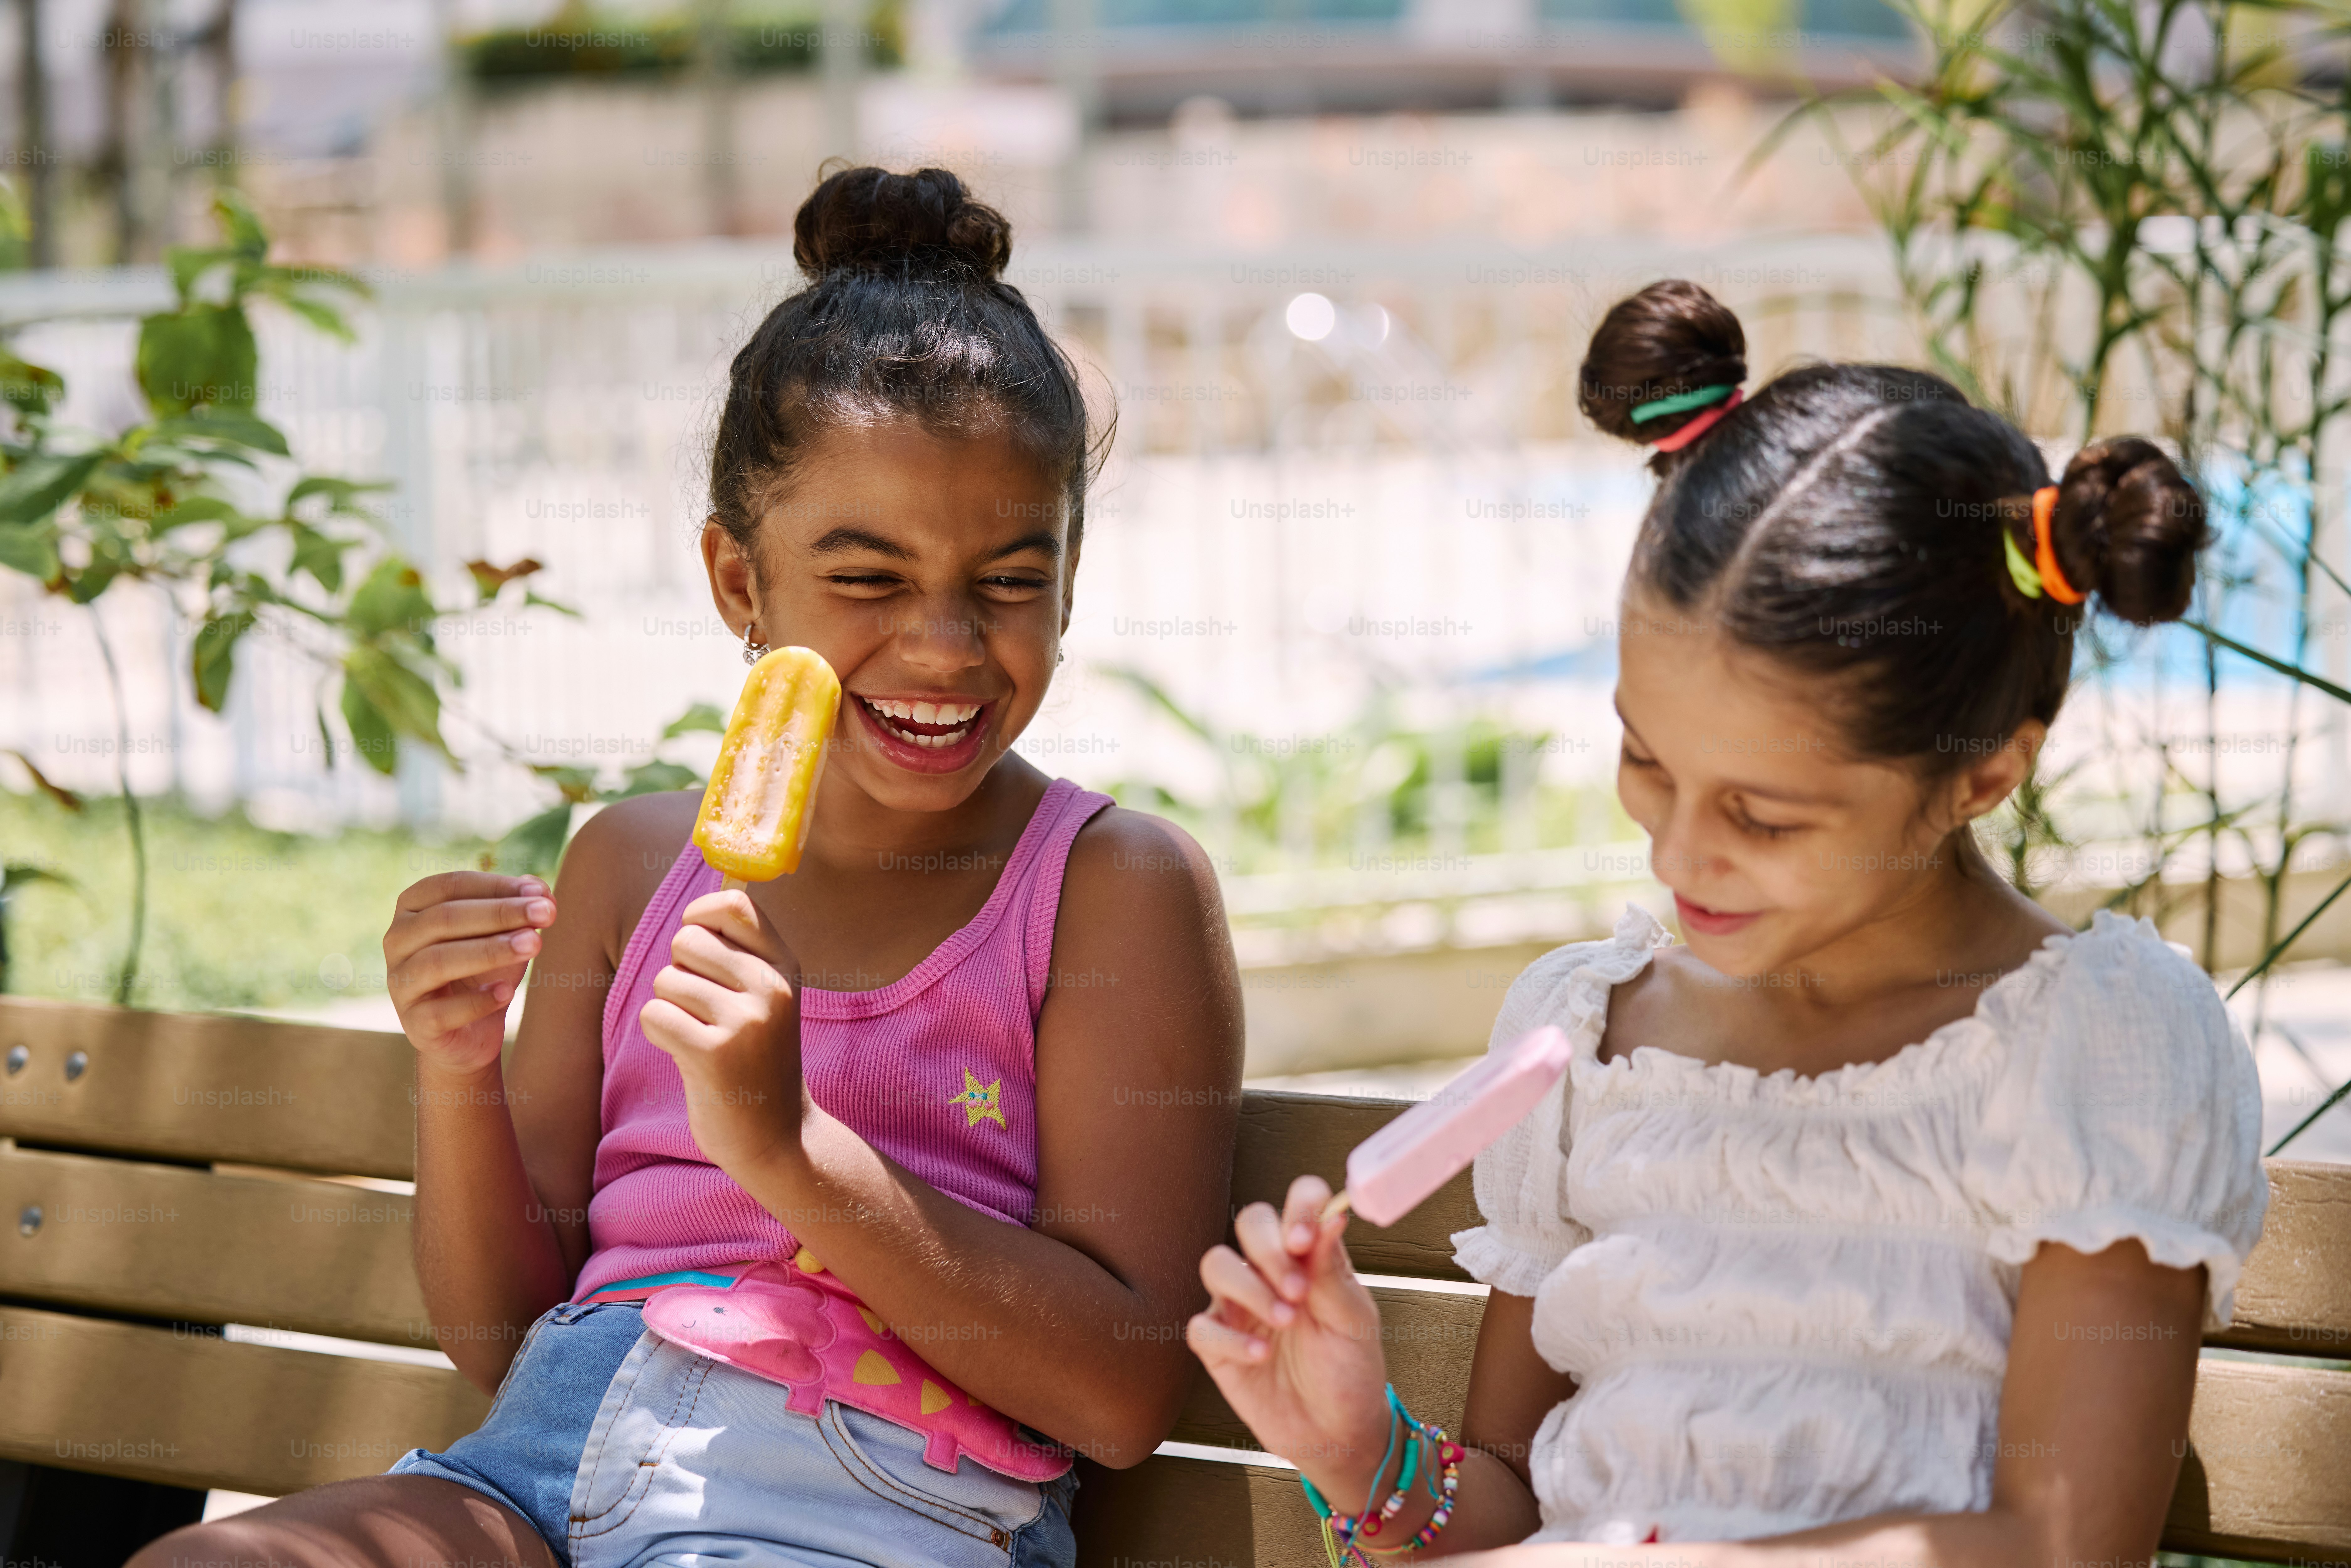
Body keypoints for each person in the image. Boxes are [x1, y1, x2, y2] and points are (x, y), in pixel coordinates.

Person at [136, 166, 1243, 1568]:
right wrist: (457, 1068)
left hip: (869, 1499)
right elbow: (495, 1337)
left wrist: (787, 1150)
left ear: (1072, 581)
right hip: (542, 1465)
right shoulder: (629, 864)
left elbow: (1125, 1393)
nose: (950, 647)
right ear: (737, 581)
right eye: (867, 581)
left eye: (1012, 582)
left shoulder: (1107, 888)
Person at [1187, 280, 2267, 1566]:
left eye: (1764, 816)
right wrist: (1362, 1453)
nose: (1678, 850)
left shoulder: (2093, 1052)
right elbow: (1514, 1521)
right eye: (1647, 761)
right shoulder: (1584, 1037)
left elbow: (2061, 1546)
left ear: (1983, 772)